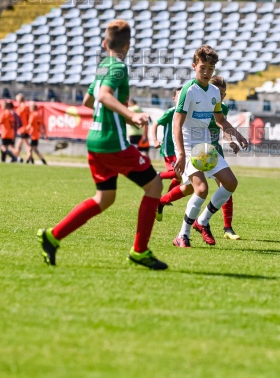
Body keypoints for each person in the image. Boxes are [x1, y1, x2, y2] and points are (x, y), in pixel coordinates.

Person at [37, 20, 167, 270]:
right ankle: (139, 251)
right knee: (154, 185)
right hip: (112, 141)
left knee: (104, 198)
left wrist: (111, 106)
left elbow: (88, 100)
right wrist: (130, 115)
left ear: (104, 43)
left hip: (95, 141)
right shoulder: (118, 67)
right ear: (128, 45)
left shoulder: (102, 66)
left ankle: (53, 236)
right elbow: (103, 96)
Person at [172, 45, 248, 248]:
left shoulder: (214, 91)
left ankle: (202, 221)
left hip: (206, 146)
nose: (206, 73)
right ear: (194, 66)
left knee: (231, 183)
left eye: (210, 69)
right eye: (202, 68)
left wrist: (237, 134)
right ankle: (182, 234)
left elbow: (220, 119)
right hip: (189, 146)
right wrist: (180, 152)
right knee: (201, 189)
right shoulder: (189, 90)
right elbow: (177, 123)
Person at [208, 75, 241, 240]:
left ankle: (227, 228)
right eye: (216, 93)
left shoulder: (223, 108)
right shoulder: (200, 105)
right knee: (190, 189)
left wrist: (231, 141)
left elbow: (223, 125)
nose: (219, 97)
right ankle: (162, 203)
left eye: (222, 94)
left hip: (215, 152)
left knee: (227, 188)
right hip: (197, 150)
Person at [152, 88, 182, 221]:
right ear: (174, 99)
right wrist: (155, 140)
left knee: (180, 177)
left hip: (179, 149)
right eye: (179, 96)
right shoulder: (171, 112)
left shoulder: (186, 112)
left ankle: (167, 198)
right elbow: (156, 124)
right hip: (169, 149)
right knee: (177, 173)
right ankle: (157, 175)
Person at [14, 93, 31, 163]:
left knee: (22, 146)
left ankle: (23, 158)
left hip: (22, 128)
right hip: (25, 128)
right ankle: (22, 158)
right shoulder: (27, 107)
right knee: (21, 145)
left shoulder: (21, 108)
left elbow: (17, 118)